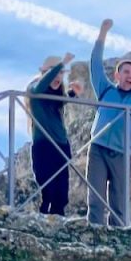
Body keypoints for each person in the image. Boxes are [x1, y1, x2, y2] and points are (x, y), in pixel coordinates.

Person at [87, 18, 131, 227]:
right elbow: (95, 65)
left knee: (119, 203)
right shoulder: (106, 89)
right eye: (126, 72)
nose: (130, 76)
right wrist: (102, 34)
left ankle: (117, 245)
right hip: (98, 148)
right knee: (96, 199)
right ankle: (95, 238)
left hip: (123, 154)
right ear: (117, 75)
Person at [26, 53, 82, 216]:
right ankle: (43, 219)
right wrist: (62, 64)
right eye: (55, 72)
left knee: (61, 192)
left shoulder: (56, 95)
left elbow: (62, 100)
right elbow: (40, 86)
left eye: (61, 73)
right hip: (44, 145)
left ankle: (58, 220)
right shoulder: (34, 88)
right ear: (44, 72)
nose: (58, 76)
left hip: (61, 145)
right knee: (46, 188)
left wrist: (73, 93)